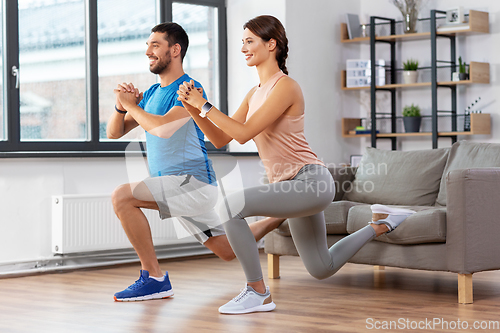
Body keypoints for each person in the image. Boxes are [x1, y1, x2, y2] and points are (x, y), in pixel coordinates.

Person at [177, 15, 415, 314]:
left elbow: (245, 132)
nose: (243, 48)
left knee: (230, 207)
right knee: (321, 266)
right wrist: (195, 110)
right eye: (242, 42)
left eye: (249, 41)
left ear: (271, 44)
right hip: (290, 186)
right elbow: (224, 138)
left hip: (310, 182)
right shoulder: (254, 93)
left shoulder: (286, 87)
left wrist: (205, 105)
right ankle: (382, 224)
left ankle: (257, 291)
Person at [107, 22, 284, 302]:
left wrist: (131, 106)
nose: (148, 52)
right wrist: (120, 106)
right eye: (147, 46)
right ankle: (281, 216)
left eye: (155, 45)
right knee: (226, 250)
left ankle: (154, 278)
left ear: (175, 50)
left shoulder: (189, 88)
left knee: (122, 197)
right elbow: (114, 132)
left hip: (192, 184)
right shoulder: (152, 94)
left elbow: (162, 129)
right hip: (174, 186)